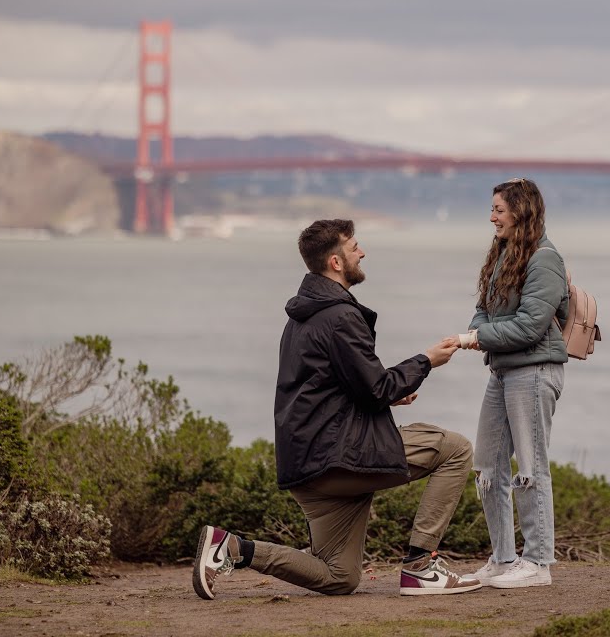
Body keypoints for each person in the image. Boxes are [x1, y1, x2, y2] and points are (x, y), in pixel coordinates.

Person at [193, 218, 483, 599]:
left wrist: (388, 394)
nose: (361, 252)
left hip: (306, 466)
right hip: (338, 459)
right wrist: (426, 361)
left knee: (339, 577)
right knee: (454, 448)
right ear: (335, 261)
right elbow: (376, 386)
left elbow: (330, 385)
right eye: (354, 247)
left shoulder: (304, 316)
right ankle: (420, 567)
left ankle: (232, 548)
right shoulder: (340, 316)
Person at [455, 178, 568, 589]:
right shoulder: (504, 254)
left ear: (520, 211)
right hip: (502, 371)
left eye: (498, 210)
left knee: (531, 468)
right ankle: (503, 559)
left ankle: (538, 563)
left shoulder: (544, 260)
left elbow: (530, 326)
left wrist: (477, 337)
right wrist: (478, 330)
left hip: (535, 373)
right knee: (488, 466)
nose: (492, 217)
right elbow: (481, 310)